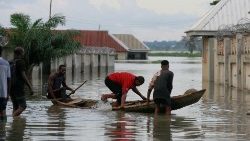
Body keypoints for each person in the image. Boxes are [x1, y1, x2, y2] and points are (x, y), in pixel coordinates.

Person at [10, 47, 34, 117]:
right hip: (18, 87)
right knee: (23, 106)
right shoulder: (21, 62)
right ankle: (13, 117)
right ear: (21, 53)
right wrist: (30, 87)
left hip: (10, 87)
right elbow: (23, 75)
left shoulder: (11, 62)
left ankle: (15, 124)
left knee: (15, 106)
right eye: (23, 52)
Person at [0, 46, 11, 122]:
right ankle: (3, 131)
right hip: (3, 93)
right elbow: (9, 80)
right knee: (3, 111)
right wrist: (8, 94)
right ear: (1, 52)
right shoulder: (6, 63)